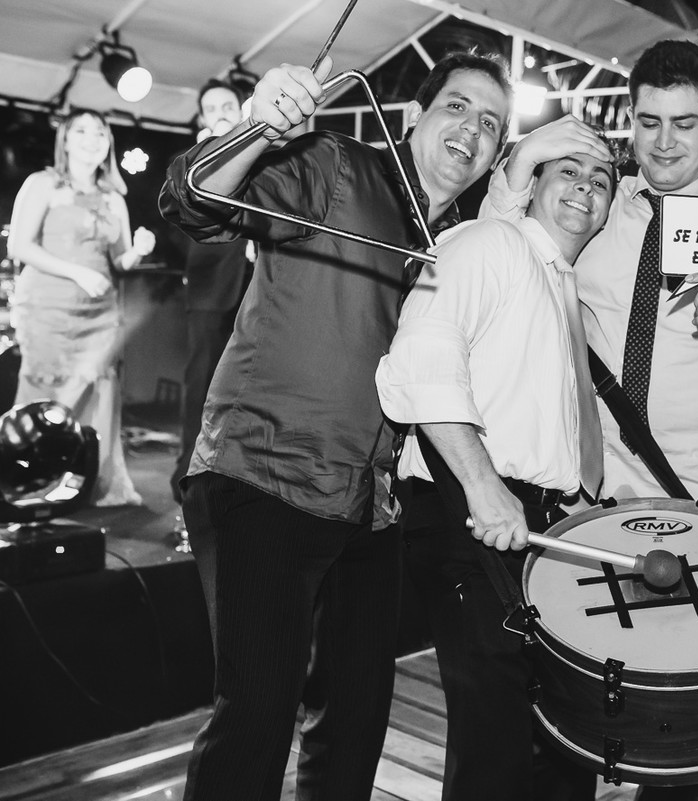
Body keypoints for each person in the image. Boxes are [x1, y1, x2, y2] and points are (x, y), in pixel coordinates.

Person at [159, 52, 512, 801]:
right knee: (257, 713)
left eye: (491, 123)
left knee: (354, 723)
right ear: (414, 117)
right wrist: (260, 125)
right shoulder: (334, 165)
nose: (472, 129)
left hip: (368, 505)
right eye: (457, 106)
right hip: (263, 473)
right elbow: (192, 200)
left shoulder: (459, 241)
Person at [376, 145, 615, 801]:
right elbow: (417, 360)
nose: (585, 188)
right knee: (498, 747)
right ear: (531, 183)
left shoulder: (559, 282)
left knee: (560, 742)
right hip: (471, 511)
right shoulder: (486, 242)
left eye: (601, 179)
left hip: (534, 523)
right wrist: (483, 485)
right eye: (569, 171)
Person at [481, 39, 698, 505]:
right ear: (632, 117)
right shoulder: (594, 200)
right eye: (650, 122)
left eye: (684, 124)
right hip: (574, 484)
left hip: (687, 493)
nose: (664, 142)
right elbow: (492, 258)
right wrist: (522, 160)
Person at [8, 109, 156, 506]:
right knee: (43, 395)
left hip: (99, 312)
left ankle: (92, 486)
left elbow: (121, 260)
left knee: (98, 393)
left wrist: (139, 251)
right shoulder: (43, 183)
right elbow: (19, 247)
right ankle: (31, 481)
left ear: (108, 143)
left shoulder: (114, 197)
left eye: (100, 133)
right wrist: (76, 272)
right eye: (82, 131)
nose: (92, 139)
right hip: (48, 307)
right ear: (66, 141)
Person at [166, 79, 252, 504]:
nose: (219, 112)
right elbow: (179, 222)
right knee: (200, 387)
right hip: (208, 288)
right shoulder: (192, 161)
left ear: (241, 109)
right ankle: (185, 484)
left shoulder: (263, 151)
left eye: (227, 105)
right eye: (211, 108)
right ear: (201, 118)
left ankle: (234, 481)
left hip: (256, 289)